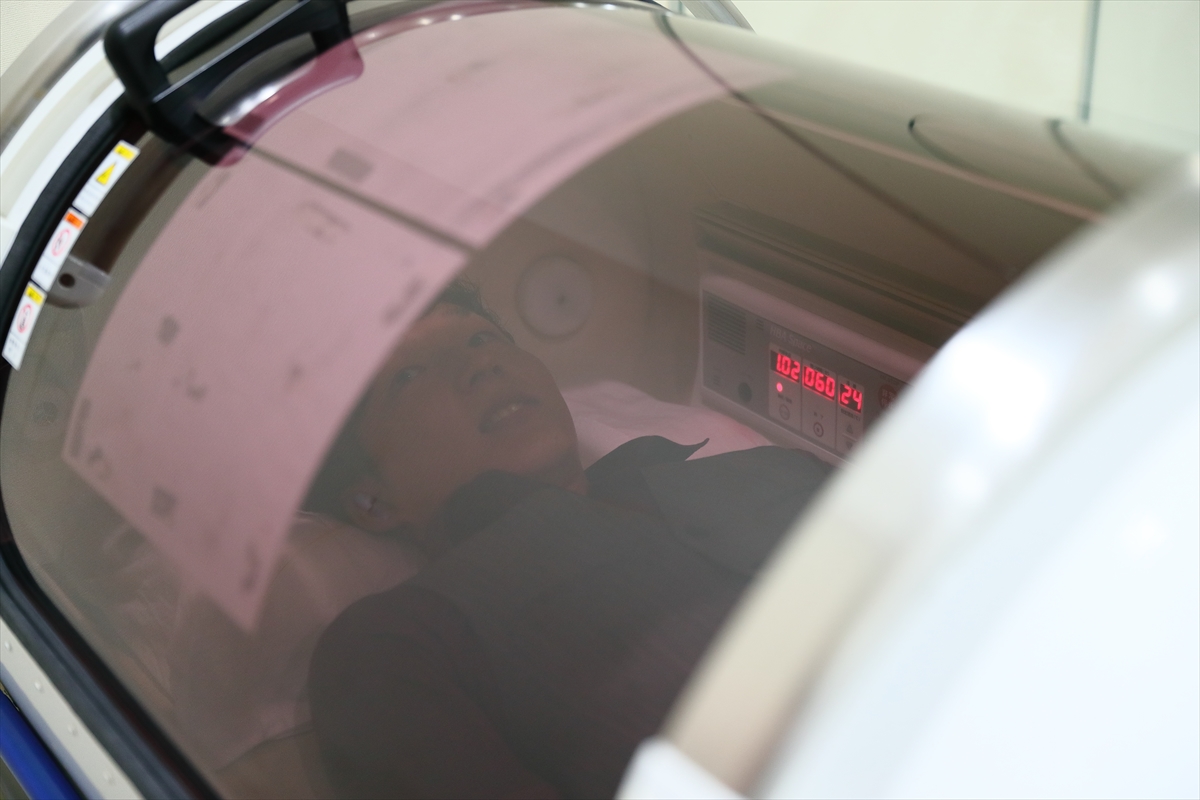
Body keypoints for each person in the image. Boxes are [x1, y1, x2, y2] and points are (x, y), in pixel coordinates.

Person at [307, 281, 832, 799]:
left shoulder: (762, 471)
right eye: (409, 374)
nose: (480, 363)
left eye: (481, 338)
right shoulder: (391, 641)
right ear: (371, 502)